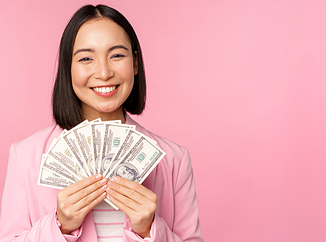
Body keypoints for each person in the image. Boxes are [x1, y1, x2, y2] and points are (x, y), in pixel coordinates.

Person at [0, 4, 204, 242]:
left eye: (117, 55)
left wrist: (149, 230)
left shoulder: (173, 160)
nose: (104, 72)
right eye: (86, 58)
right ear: (68, 68)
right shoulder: (26, 156)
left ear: (135, 64)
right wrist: (59, 226)